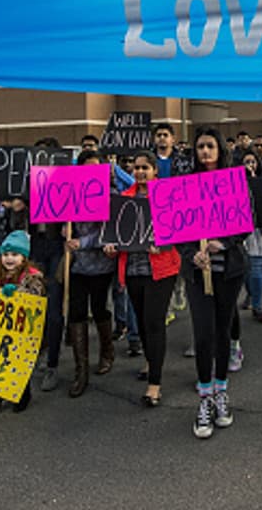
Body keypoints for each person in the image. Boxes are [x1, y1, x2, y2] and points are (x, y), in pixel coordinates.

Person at [181, 128, 247, 439]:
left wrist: (226, 242)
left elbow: (246, 224)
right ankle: (204, 397)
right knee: (203, 333)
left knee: (223, 330)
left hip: (228, 271)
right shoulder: (185, 186)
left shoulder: (235, 181)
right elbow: (176, 231)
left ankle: (222, 391)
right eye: (200, 147)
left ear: (220, 149)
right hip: (198, 273)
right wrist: (191, 254)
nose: (205, 152)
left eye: (210, 146)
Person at [113, 151, 180, 407]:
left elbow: (179, 230)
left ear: (155, 170)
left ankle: (155, 384)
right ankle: (151, 360)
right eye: (136, 168)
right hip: (132, 270)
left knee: (154, 322)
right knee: (141, 322)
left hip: (161, 270)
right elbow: (117, 233)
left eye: (145, 168)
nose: (140, 172)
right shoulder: (123, 199)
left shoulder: (166, 195)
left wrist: (162, 244)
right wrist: (112, 246)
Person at [0, 229, 44, 413]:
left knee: (19, 364)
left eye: (15, 255)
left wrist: (18, 292)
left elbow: (36, 296)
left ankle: (22, 394)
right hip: (0, 328)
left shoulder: (32, 276)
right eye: (6, 254)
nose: (9, 259)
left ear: (24, 258)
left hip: (21, 330)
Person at [65, 151, 118, 398]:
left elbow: (111, 232)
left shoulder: (109, 197)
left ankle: (107, 352)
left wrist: (82, 242)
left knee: (99, 309)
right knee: (76, 313)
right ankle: (81, 371)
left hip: (101, 265)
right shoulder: (70, 194)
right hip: (75, 266)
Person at [237, 147, 262, 324]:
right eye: (246, 162)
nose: (250, 165)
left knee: (256, 267)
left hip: (258, 230)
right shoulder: (235, 184)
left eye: (252, 162)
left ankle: (258, 305)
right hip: (241, 230)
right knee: (246, 268)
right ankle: (251, 294)